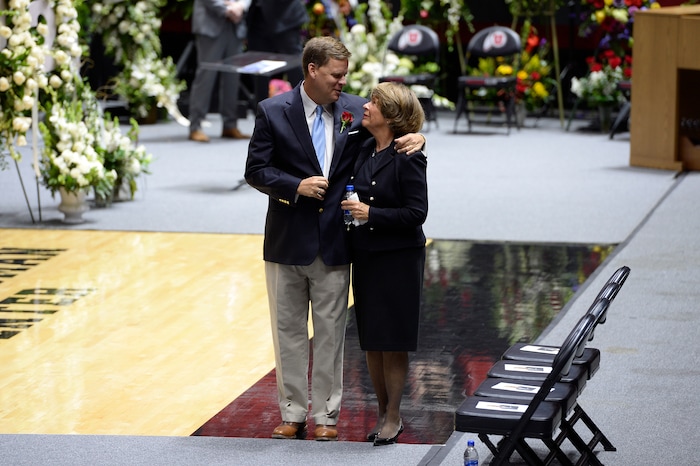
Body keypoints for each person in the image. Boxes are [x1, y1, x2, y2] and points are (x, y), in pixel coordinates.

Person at [244, 36, 426, 442]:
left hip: (336, 243)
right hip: (286, 240)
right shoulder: (272, 111)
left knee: (330, 335)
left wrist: (421, 136)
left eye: (345, 75)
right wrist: (295, 185)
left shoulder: (356, 111)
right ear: (312, 70)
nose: (343, 82)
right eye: (336, 75)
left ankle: (327, 416)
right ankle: (292, 413)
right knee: (287, 331)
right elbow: (256, 170)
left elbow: (395, 128)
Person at [340, 82, 428, 446]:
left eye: (374, 102)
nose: (366, 105)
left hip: (398, 258)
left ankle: (394, 415)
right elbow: (341, 131)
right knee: (372, 341)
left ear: (391, 115)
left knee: (394, 341)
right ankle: (381, 410)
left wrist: (369, 212)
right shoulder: (362, 145)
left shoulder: (409, 156)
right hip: (367, 255)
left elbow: (416, 213)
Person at [188, 0, 251, 143]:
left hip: (235, 24)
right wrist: (227, 9)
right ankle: (196, 126)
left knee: (232, 78)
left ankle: (230, 125)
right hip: (211, 21)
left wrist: (240, 6)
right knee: (206, 77)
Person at [245, 0, 308, 105]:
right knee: (258, 72)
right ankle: (262, 114)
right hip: (257, 17)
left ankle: (309, 109)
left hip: (285, 17)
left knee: (294, 68)